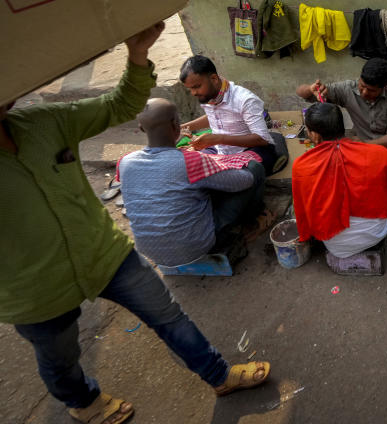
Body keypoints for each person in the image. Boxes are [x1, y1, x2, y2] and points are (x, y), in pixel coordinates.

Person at [1, 23, 269, 424]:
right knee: (58, 356)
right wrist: (212, 152)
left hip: (107, 253)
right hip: (33, 286)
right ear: (176, 128)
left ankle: (219, 375)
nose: (196, 97)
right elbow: (241, 177)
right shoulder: (188, 154)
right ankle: (83, 401)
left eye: (197, 89)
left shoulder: (104, 152)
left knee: (170, 318)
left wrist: (137, 55)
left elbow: (120, 105)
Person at [118, 98, 266, 267]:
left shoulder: (125, 163)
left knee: (194, 189)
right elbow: (243, 182)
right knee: (254, 169)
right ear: (176, 125)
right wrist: (228, 164)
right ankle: (253, 221)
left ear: (141, 128)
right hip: (194, 246)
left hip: (150, 251)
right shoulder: (190, 161)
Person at [295, 57, 387, 222]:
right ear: (359, 79)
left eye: (371, 90)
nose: (364, 93)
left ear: (384, 87)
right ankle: (383, 216)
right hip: (361, 150)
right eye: (362, 86)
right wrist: (311, 89)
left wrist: (364, 145)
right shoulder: (348, 88)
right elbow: (302, 93)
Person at [292, 103, 387, 254]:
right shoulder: (377, 154)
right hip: (375, 233)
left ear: (314, 135)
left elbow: (303, 209)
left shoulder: (301, 166)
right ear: (341, 127)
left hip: (333, 243)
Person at [179, 55, 278, 172]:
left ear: (214, 79)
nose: (194, 93)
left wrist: (218, 139)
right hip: (219, 150)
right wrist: (183, 128)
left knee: (245, 171)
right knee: (184, 164)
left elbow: (262, 139)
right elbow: (213, 116)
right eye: (190, 89)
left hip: (252, 150)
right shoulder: (208, 95)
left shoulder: (245, 99)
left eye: (197, 87)